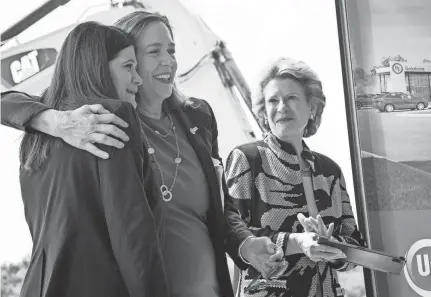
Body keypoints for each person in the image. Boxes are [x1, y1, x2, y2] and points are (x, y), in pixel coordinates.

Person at [1, 11, 282, 297]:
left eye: (171, 50)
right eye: (153, 52)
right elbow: (131, 239)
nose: (168, 61)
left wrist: (245, 243)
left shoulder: (198, 117)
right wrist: (53, 121)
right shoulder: (94, 123)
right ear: (111, 62)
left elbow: (221, 209)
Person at [16, 22, 169, 297]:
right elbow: (131, 234)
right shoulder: (110, 117)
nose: (138, 79)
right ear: (98, 65)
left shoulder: (35, 139)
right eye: (128, 67)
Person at [225, 57, 366, 297]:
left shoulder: (330, 170)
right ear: (262, 110)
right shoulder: (246, 159)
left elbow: (354, 249)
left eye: (291, 98)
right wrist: (297, 241)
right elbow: (234, 234)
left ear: (312, 107)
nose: (281, 107)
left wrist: (331, 246)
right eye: (272, 100)